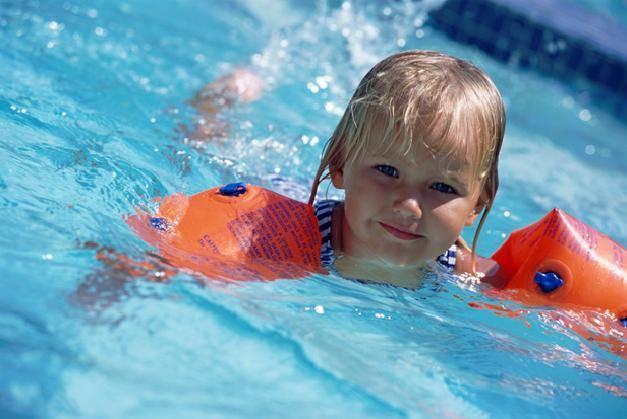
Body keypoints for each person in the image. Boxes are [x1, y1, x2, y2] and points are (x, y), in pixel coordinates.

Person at [307, 50, 506, 287]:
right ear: (340, 164)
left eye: (442, 186)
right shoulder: (297, 237)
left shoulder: (465, 271)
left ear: (476, 205)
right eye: (388, 171)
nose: (409, 207)